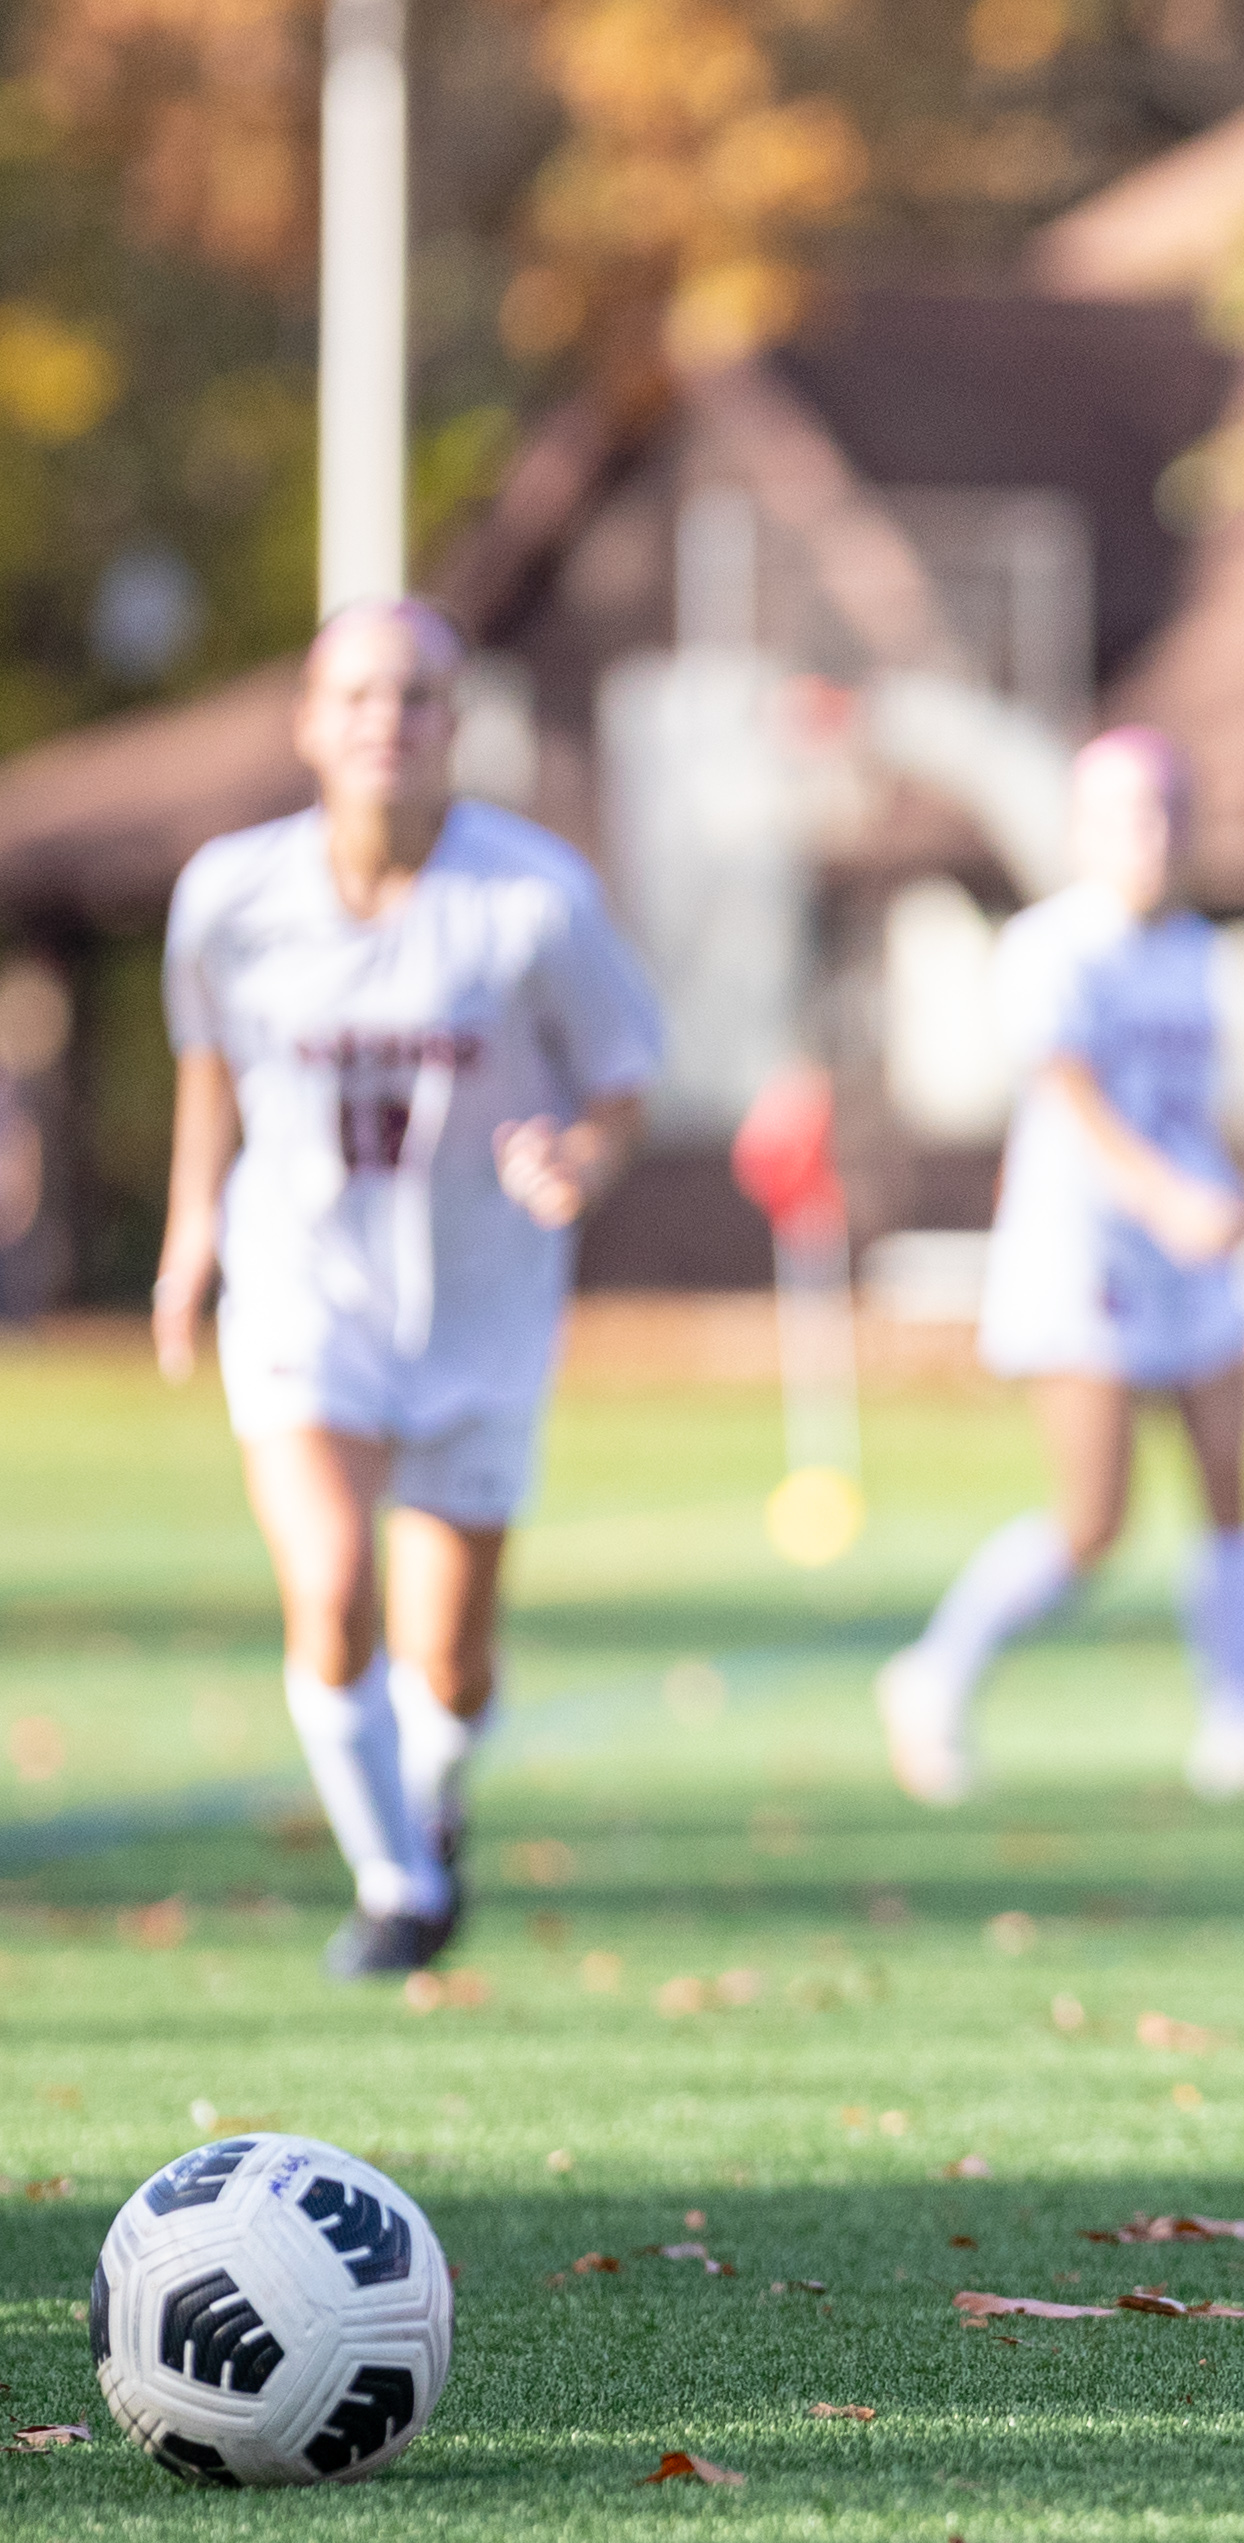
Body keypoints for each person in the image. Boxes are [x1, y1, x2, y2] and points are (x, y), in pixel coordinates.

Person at [154, 597, 663, 1979]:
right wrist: (192, 1224)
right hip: (304, 1290)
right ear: (313, 722)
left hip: (481, 1307)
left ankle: (430, 1812)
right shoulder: (230, 898)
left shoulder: (531, 899)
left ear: (455, 725)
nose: (389, 720)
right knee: (329, 1591)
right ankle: (394, 1886)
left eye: (418, 696)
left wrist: (580, 1156)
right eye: (361, 695)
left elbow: (621, 1083)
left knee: (451, 1662)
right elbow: (213, 1066)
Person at [875, 728, 1244, 1807]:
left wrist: (1218, 1195)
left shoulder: (1196, 953)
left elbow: (1195, 1106)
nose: (1151, 834)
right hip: (1085, 1258)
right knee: (1093, 1520)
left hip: (1191, 1253)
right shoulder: (1051, 948)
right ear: (1081, 830)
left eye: (1168, 808)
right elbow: (1072, 1100)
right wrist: (1165, 1196)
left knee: (1230, 1484)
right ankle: (932, 1676)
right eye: (1126, 812)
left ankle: (1239, 1723)